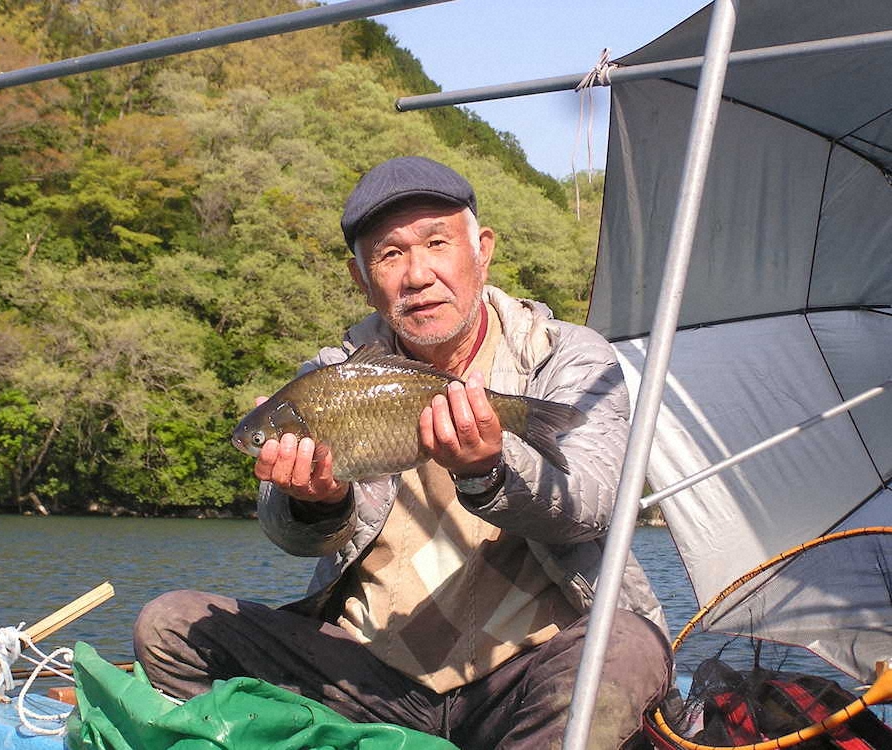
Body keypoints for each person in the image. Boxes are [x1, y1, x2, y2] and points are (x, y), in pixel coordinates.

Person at [134, 156, 672, 748]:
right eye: (390, 255)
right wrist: (316, 504)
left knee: (625, 647)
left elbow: (593, 503)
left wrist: (488, 471)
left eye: (437, 242)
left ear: (482, 250)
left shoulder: (567, 356)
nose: (418, 275)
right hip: (368, 679)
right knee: (170, 626)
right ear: (361, 278)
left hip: (528, 672)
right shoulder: (329, 379)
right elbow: (288, 534)